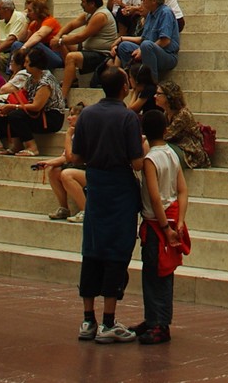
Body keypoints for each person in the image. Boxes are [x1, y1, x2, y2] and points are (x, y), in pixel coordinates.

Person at [70, 65, 144, 343]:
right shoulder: (128, 117)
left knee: (92, 249)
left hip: (96, 185)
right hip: (120, 189)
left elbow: (76, 158)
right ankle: (109, 322)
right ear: (124, 87)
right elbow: (136, 162)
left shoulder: (87, 114)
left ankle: (88, 320)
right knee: (115, 252)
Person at [135, 106, 188, 345]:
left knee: (156, 273)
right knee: (161, 273)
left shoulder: (150, 160)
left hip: (158, 222)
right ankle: (154, 318)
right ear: (166, 129)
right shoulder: (171, 153)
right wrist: (180, 221)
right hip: (172, 217)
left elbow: (155, 198)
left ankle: (160, 324)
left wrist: (166, 227)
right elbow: (182, 190)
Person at [115, 0, 180, 82]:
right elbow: (143, 38)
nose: (142, 1)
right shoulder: (150, 14)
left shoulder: (165, 13)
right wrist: (122, 38)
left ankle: (150, 84)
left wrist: (142, 50)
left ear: (153, 1)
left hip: (167, 54)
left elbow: (165, 41)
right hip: (148, 48)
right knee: (124, 46)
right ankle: (133, 79)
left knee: (146, 46)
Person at [59, 0, 118, 84]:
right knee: (63, 42)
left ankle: (63, 96)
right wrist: (58, 36)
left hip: (101, 54)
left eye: (83, 1)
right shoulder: (90, 14)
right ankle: (73, 78)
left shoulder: (101, 15)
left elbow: (81, 37)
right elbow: (72, 25)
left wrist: (61, 40)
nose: (81, 4)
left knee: (71, 56)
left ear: (92, 4)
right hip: (88, 49)